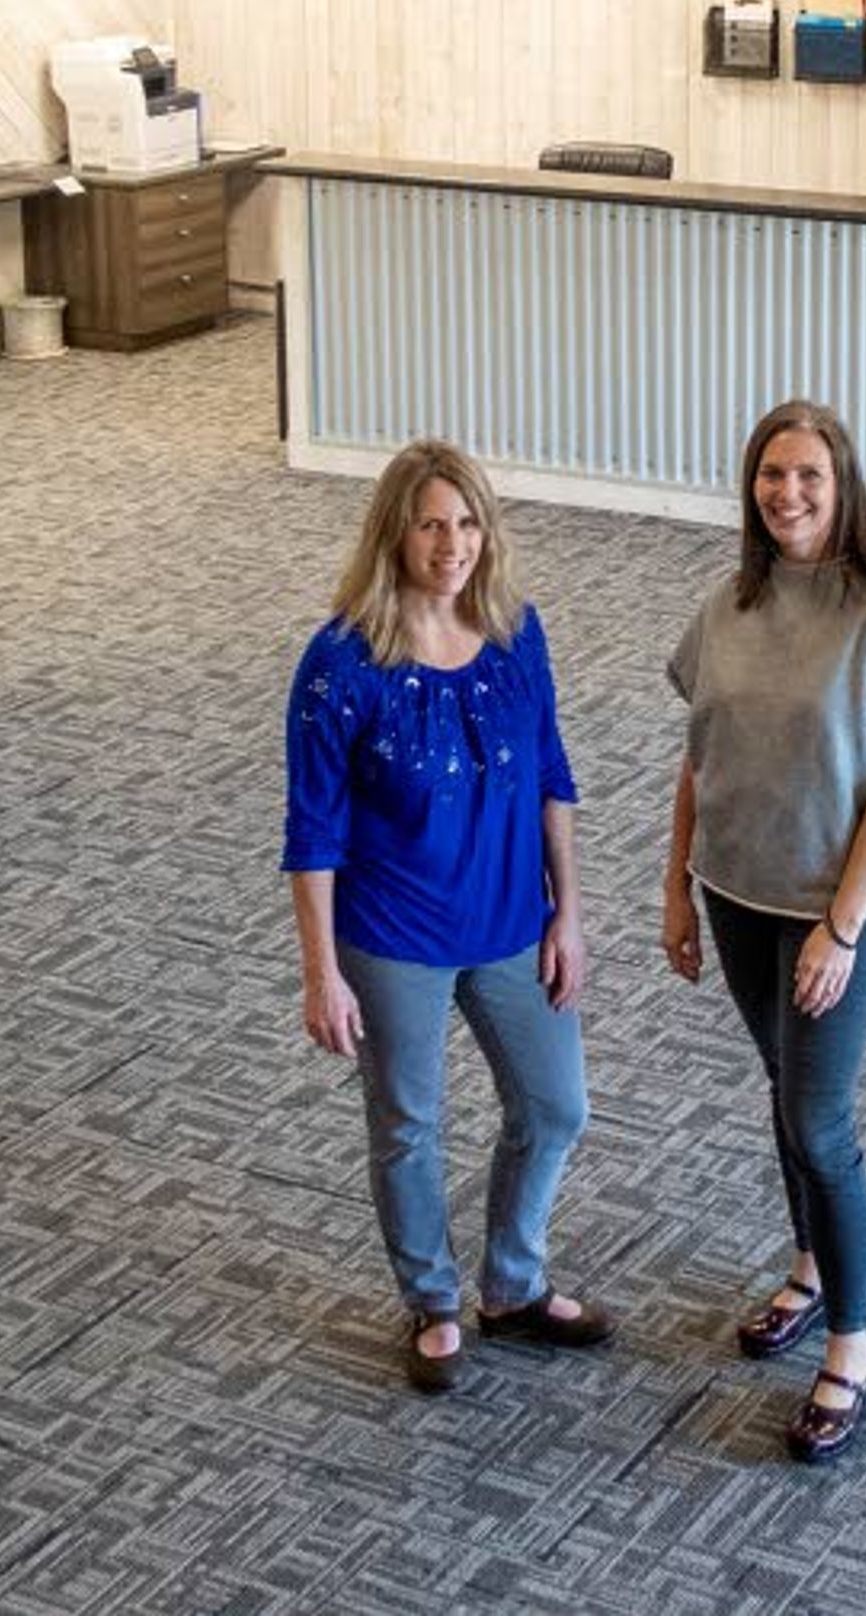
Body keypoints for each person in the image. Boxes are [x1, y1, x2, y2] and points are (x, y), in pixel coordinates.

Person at [661, 399, 866, 1462]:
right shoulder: (729, 601)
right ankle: (807, 1264)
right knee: (782, 1092)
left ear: (844, 491)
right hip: (738, 892)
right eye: (772, 475)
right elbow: (699, 756)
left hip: (834, 910)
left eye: (810, 479)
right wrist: (675, 888)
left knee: (819, 1121)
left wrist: (841, 929)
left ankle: (852, 1343)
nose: (788, 494)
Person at [283, 439, 616, 1394]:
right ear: (396, 532)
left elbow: (552, 776)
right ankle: (431, 1301)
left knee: (555, 1106)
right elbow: (312, 829)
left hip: (514, 919)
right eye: (432, 523)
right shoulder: (341, 662)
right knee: (407, 1125)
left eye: (468, 523)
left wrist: (569, 914)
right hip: (393, 935)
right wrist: (321, 970)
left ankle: (512, 1286)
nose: (453, 544)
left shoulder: (517, 634)